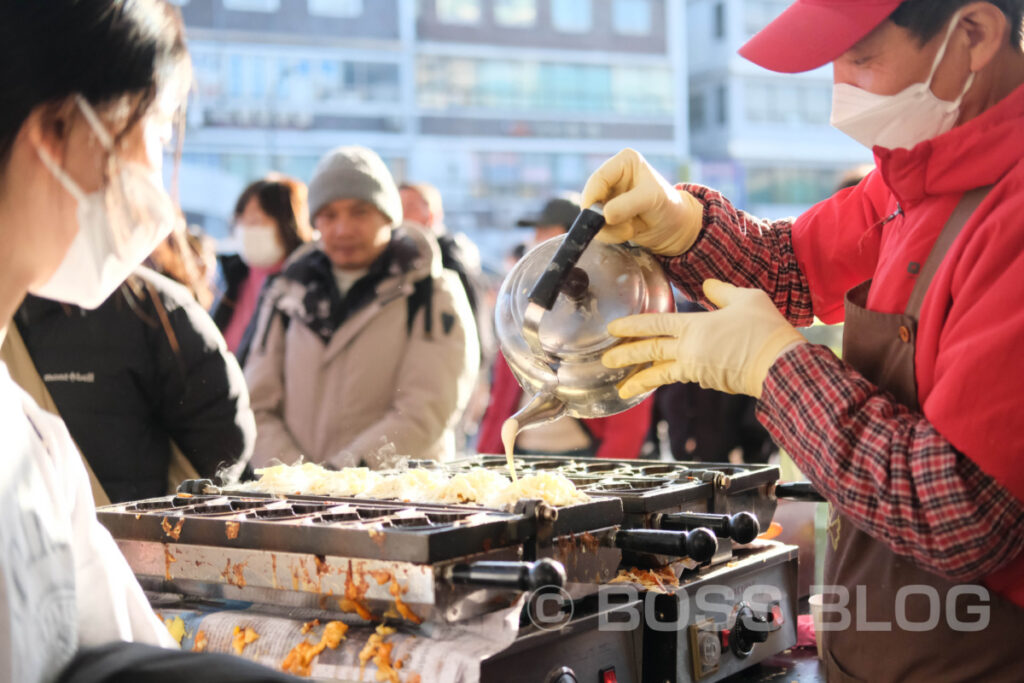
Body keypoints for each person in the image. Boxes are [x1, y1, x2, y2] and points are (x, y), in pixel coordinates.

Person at [584, 1, 1024, 680]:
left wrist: (775, 368)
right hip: (880, 638)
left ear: (974, 33)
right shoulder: (912, 178)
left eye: (862, 57)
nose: (840, 89)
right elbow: (788, 266)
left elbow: (961, 511)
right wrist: (681, 225)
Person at [0, 1, 300, 680]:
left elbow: (105, 648)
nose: (157, 175)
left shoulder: (33, 435)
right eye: (157, 130)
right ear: (58, 127)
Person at [245, 146, 479, 468]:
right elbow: (256, 405)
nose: (343, 229)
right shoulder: (286, 293)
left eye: (359, 212)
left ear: (387, 216)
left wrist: (344, 476)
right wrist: (297, 479)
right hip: (297, 505)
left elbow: (426, 410)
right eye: (329, 215)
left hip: (396, 502)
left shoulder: (431, 291)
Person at [477, 195, 653, 460]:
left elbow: (629, 403)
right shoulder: (528, 298)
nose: (537, 239)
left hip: (583, 458)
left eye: (547, 232)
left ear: (576, 239)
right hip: (521, 452)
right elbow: (503, 393)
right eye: (537, 232)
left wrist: (607, 472)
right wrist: (487, 459)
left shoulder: (617, 301)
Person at [211, 175, 312, 362]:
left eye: (256, 220)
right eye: (241, 221)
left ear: (286, 224)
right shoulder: (229, 277)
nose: (246, 229)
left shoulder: (306, 284)